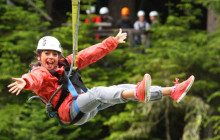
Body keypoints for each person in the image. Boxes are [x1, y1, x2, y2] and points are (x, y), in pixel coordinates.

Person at [8, 29, 195, 125]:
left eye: (54, 54)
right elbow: (35, 79)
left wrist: (111, 42)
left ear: (59, 56)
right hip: (70, 112)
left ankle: (173, 91)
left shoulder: (65, 64)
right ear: (39, 56)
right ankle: (138, 93)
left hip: (84, 107)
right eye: (46, 54)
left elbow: (87, 54)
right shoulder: (40, 72)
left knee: (120, 88)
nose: (51, 58)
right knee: (98, 92)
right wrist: (25, 82)